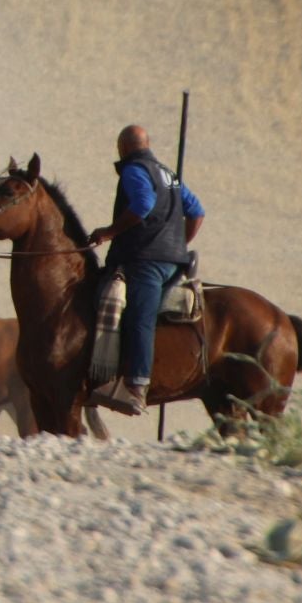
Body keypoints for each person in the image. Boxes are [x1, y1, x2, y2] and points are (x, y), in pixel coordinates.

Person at [86, 124, 206, 416]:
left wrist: (109, 232)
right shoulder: (169, 174)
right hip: (172, 261)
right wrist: (179, 243)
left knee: (140, 317)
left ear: (123, 148)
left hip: (145, 261)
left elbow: (142, 204)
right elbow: (197, 211)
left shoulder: (134, 170)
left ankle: (136, 386)